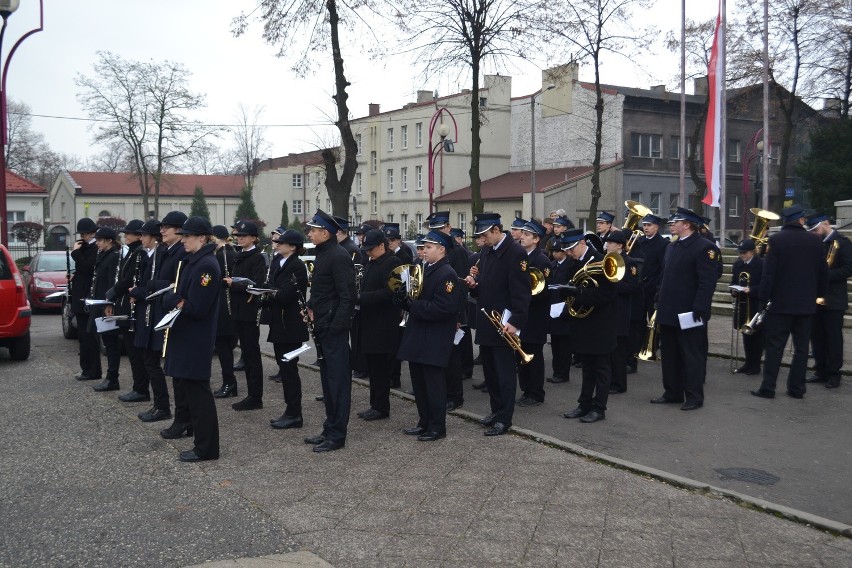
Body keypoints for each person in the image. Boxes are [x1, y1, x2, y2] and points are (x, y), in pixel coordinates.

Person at [464, 213, 531, 436]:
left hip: (504, 323)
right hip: (487, 319)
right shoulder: (486, 251)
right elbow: (486, 284)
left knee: (504, 373)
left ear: (495, 230)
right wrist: (474, 285)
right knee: (490, 372)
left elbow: (521, 292)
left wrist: (515, 322)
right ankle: (495, 410)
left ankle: (505, 418)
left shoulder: (516, 252)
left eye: (484, 234)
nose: (481, 239)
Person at [752, 205, 829, 399]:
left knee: (775, 348)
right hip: (806, 305)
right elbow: (823, 273)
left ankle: (768, 388)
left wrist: (763, 299)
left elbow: (768, 275)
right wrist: (818, 296)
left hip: (780, 305)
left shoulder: (776, 240)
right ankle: (796, 388)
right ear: (801, 220)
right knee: (802, 349)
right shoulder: (816, 241)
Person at [161, 216, 221, 462]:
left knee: (199, 396)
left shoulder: (206, 265)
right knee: (192, 394)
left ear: (202, 238)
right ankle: (201, 444)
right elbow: (181, 297)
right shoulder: (193, 262)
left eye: (188, 236)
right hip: (185, 336)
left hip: (195, 339)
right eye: (183, 235)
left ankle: (206, 448)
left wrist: (173, 299)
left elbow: (197, 307)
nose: (183, 239)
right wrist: (177, 298)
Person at [396, 230, 463, 441]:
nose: (424, 251)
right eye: (423, 247)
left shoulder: (447, 274)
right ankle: (424, 422)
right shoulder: (425, 268)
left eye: (429, 247)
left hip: (434, 337)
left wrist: (413, 305)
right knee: (420, 384)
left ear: (441, 249)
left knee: (433, 385)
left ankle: (437, 427)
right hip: (419, 335)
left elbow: (444, 308)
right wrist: (404, 296)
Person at [651, 207, 718, 411]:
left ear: (687, 224)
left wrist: (699, 308)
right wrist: (658, 298)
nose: (671, 224)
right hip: (669, 310)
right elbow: (665, 277)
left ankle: (694, 396)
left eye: (675, 221)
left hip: (689, 313)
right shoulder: (672, 247)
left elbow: (707, 282)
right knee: (670, 355)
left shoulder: (705, 248)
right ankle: (672, 392)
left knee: (691, 356)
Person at [303, 210, 356, 452]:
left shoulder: (338, 255)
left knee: (338, 384)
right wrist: (311, 306)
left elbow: (347, 297)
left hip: (333, 329)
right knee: (327, 382)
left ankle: (337, 435)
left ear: (326, 233)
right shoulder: (324, 253)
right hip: (323, 326)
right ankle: (329, 427)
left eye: (313, 230)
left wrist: (336, 327)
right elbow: (322, 290)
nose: (310, 234)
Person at [560, 229, 618, 423]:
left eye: (571, 248)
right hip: (583, 323)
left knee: (601, 368)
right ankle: (584, 404)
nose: (569, 253)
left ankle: (599, 408)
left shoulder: (601, 260)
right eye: (566, 249)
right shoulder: (573, 261)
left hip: (601, 324)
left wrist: (577, 293)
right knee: (587, 367)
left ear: (582, 242)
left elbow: (608, 295)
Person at [140, 210, 187, 428]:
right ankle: (161, 405)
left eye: (166, 227)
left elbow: (173, 283)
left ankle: (171, 411)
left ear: (179, 229)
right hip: (158, 308)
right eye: (161, 227)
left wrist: (153, 285)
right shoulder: (166, 250)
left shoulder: (180, 252)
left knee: (170, 367)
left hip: (170, 312)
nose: (162, 231)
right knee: (151, 360)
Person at [265, 229, 310, 430]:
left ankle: (294, 413)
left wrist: (267, 293)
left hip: (290, 326)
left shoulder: (297, 266)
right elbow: (272, 288)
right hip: (279, 324)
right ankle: (290, 410)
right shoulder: (279, 263)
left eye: (282, 242)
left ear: (292, 247)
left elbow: (285, 294)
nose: (277, 243)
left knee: (289, 370)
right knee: (284, 368)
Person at [354, 229, 402, 421]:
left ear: (382, 246)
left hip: (384, 325)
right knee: (373, 368)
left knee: (381, 369)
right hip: (370, 322)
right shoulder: (372, 262)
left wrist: (360, 298)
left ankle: (381, 407)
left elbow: (390, 293)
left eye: (371, 249)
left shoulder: (392, 263)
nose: (367, 252)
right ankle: (375, 404)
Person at [224, 220, 268, 411]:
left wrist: (235, 284)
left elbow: (257, 284)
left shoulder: (258, 257)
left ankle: (255, 395)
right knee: (246, 352)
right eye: (238, 236)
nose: (239, 239)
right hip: (237, 310)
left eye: (243, 236)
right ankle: (251, 394)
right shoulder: (237, 255)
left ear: (254, 238)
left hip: (250, 311)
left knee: (252, 354)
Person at [428, 212, 469, 411]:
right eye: (432, 229)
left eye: (439, 228)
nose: (435, 232)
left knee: (452, 357)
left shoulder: (457, 251)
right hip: (439, 311)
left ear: (447, 228)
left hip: (452, 312)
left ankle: (455, 396)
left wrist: (459, 315)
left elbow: (460, 285)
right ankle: (443, 393)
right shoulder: (434, 250)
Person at [806, 214, 852, 389]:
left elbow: (849, 268)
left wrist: (825, 276)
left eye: (816, 229)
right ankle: (821, 369)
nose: (815, 233)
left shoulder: (843, 243)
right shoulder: (816, 244)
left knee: (833, 337)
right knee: (816, 336)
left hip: (834, 298)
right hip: (816, 297)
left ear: (826, 224)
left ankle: (834, 373)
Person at [108, 220, 149, 402]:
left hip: (132, 304)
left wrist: (114, 291)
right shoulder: (132, 252)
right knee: (132, 351)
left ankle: (141, 388)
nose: (126, 237)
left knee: (135, 352)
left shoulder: (139, 253)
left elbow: (130, 278)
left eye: (129, 234)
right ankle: (138, 386)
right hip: (124, 303)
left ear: (138, 235)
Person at [123, 220, 162, 404]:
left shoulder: (156, 256)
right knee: (146, 359)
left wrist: (136, 292)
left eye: (145, 235)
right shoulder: (146, 255)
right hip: (142, 309)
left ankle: (159, 402)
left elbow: (152, 287)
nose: (142, 238)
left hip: (151, 311)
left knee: (152, 363)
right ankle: (150, 397)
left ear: (154, 238)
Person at [515, 219, 551, 406]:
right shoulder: (521, 256)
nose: (522, 237)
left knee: (533, 355)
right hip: (522, 314)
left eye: (527, 235)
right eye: (523, 234)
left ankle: (536, 393)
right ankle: (526, 390)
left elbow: (543, 292)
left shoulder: (542, 260)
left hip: (535, 315)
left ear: (536, 239)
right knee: (521, 354)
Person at [603, 230, 640, 394]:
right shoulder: (606, 260)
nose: (607, 245)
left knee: (618, 351)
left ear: (619, 245)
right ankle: (610, 381)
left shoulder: (629, 262)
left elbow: (632, 287)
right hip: (608, 309)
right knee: (609, 350)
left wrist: (611, 285)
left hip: (621, 310)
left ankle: (619, 384)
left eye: (610, 243)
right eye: (607, 242)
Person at [88, 227, 123, 392]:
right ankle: (110, 377)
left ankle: (112, 378)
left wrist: (110, 303)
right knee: (107, 342)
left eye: (100, 240)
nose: (97, 243)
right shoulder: (103, 256)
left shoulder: (114, 256)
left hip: (107, 305)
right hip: (100, 303)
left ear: (109, 240)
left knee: (111, 343)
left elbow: (113, 282)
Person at [633, 213, 668, 373]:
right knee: (639, 318)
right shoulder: (639, 241)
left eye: (649, 225)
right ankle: (640, 345)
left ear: (656, 227)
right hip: (640, 286)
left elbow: (663, 267)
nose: (645, 228)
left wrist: (658, 285)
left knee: (654, 318)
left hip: (653, 286)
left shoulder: (663, 244)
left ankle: (654, 345)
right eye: (644, 225)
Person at [69, 218, 100, 382]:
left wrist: (75, 253)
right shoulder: (87, 248)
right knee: (83, 335)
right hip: (81, 297)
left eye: (83, 234)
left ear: (90, 233)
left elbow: (87, 268)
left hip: (87, 297)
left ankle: (91, 370)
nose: (82, 237)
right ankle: (87, 369)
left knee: (88, 336)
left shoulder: (94, 248)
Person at [211, 225, 238, 397]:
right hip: (225, 306)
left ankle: (229, 383)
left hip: (225, 307)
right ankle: (229, 382)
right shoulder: (226, 252)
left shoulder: (225, 254)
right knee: (223, 348)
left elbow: (224, 280)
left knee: (223, 347)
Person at [730, 238, 764, 375]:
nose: (741, 255)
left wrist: (752, 290)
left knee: (757, 336)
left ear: (752, 252)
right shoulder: (738, 265)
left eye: (744, 253)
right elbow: (733, 281)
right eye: (740, 253)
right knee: (745, 333)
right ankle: (748, 362)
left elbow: (766, 285)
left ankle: (755, 364)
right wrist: (733, 290)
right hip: (743, 303)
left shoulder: (762, 264)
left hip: (756, 304)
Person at [547, 236, 573, 385]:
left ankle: (563, 373)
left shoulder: (569, 265)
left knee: (564, 344)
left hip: (564, 307)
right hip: (553, 307)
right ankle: (557, 371)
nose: (554, 254)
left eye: (557, 251)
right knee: (555, 342)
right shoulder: (553, 264)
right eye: (553, 251)